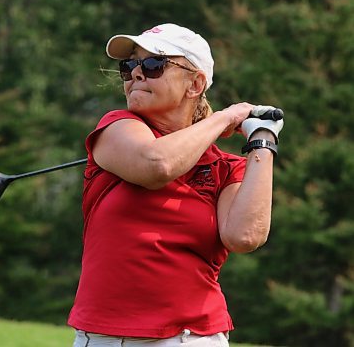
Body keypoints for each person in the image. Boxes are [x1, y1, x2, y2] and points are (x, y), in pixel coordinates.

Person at [68, 23, 284, 347]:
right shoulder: (117, 128)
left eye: (154, 65)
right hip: (102, 337)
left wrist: (263, 141)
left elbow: (244, 236)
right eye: (128, 67)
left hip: (192, 338)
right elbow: (158, 165)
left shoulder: (225, 168)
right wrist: (224, 118)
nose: (136, 74)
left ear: (195, 83)